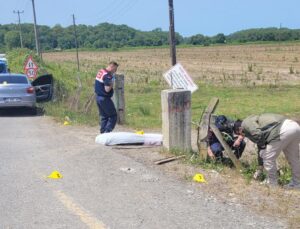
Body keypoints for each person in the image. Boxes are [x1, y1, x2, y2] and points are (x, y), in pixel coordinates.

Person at [233, 113, 300, 189]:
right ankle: (297, 184)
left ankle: (272, 184)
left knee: (268, 158)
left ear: (239, 129)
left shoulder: (245, 123)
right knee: (294, 159)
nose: (243, 135)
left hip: (281, 130)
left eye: (240, 134)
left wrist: (263, 147)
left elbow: (257, 134)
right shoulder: (254, 119)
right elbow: (259, 141)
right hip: (294, 126)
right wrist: (260, 165)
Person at [95, 61, 119, 133]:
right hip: (104, 98)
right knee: (113, 116)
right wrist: (112, 81)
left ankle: (102, 133)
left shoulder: (101, 71)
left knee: (104, 116)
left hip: (98, 97)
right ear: (112, 67)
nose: (115, 71)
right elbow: (107, 89)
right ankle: (107, 132)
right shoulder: (108, 76)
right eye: (115, 69)